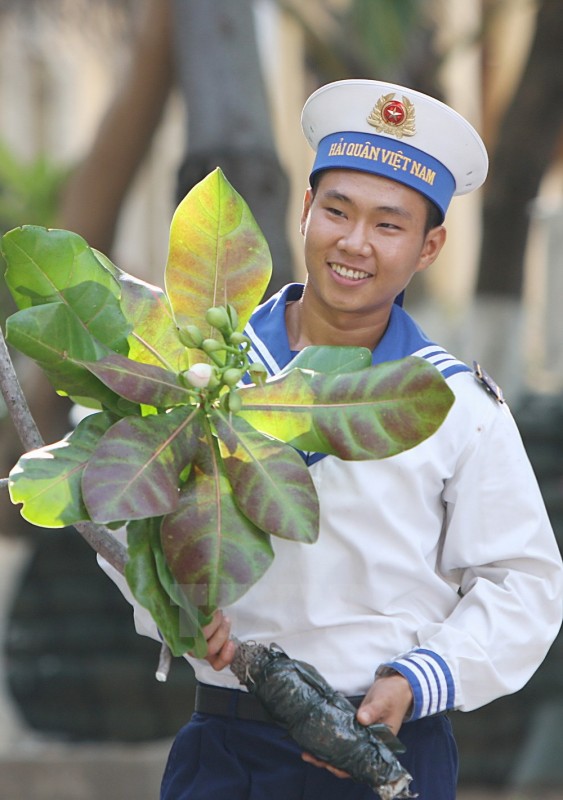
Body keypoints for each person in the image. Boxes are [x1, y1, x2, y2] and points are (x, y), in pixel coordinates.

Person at [101, 79, 563, 799]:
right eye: (337, 211)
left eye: (388, 224)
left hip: (383, 752)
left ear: (428, 245)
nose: (353, 242)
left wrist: (417, 682)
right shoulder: (197, 368)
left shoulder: (455, 406)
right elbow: (114, 496)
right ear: (305, 211)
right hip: (226, 750)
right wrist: (173, 603)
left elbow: (524, 585)